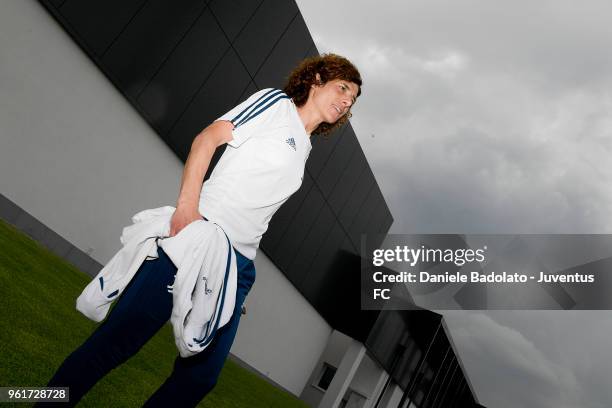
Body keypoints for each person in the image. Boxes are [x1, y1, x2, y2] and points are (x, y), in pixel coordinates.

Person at [40, 53, 361, 407]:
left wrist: (233, 276)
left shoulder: (304, 146)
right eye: (343, 87)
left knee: (200, 377)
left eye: (353, 99)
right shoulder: (276, 105)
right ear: (316, 80)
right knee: (116, 343)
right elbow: (206, 139)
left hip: (237, 266)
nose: (347, 100)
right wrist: (186, 209)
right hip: (198, 236)